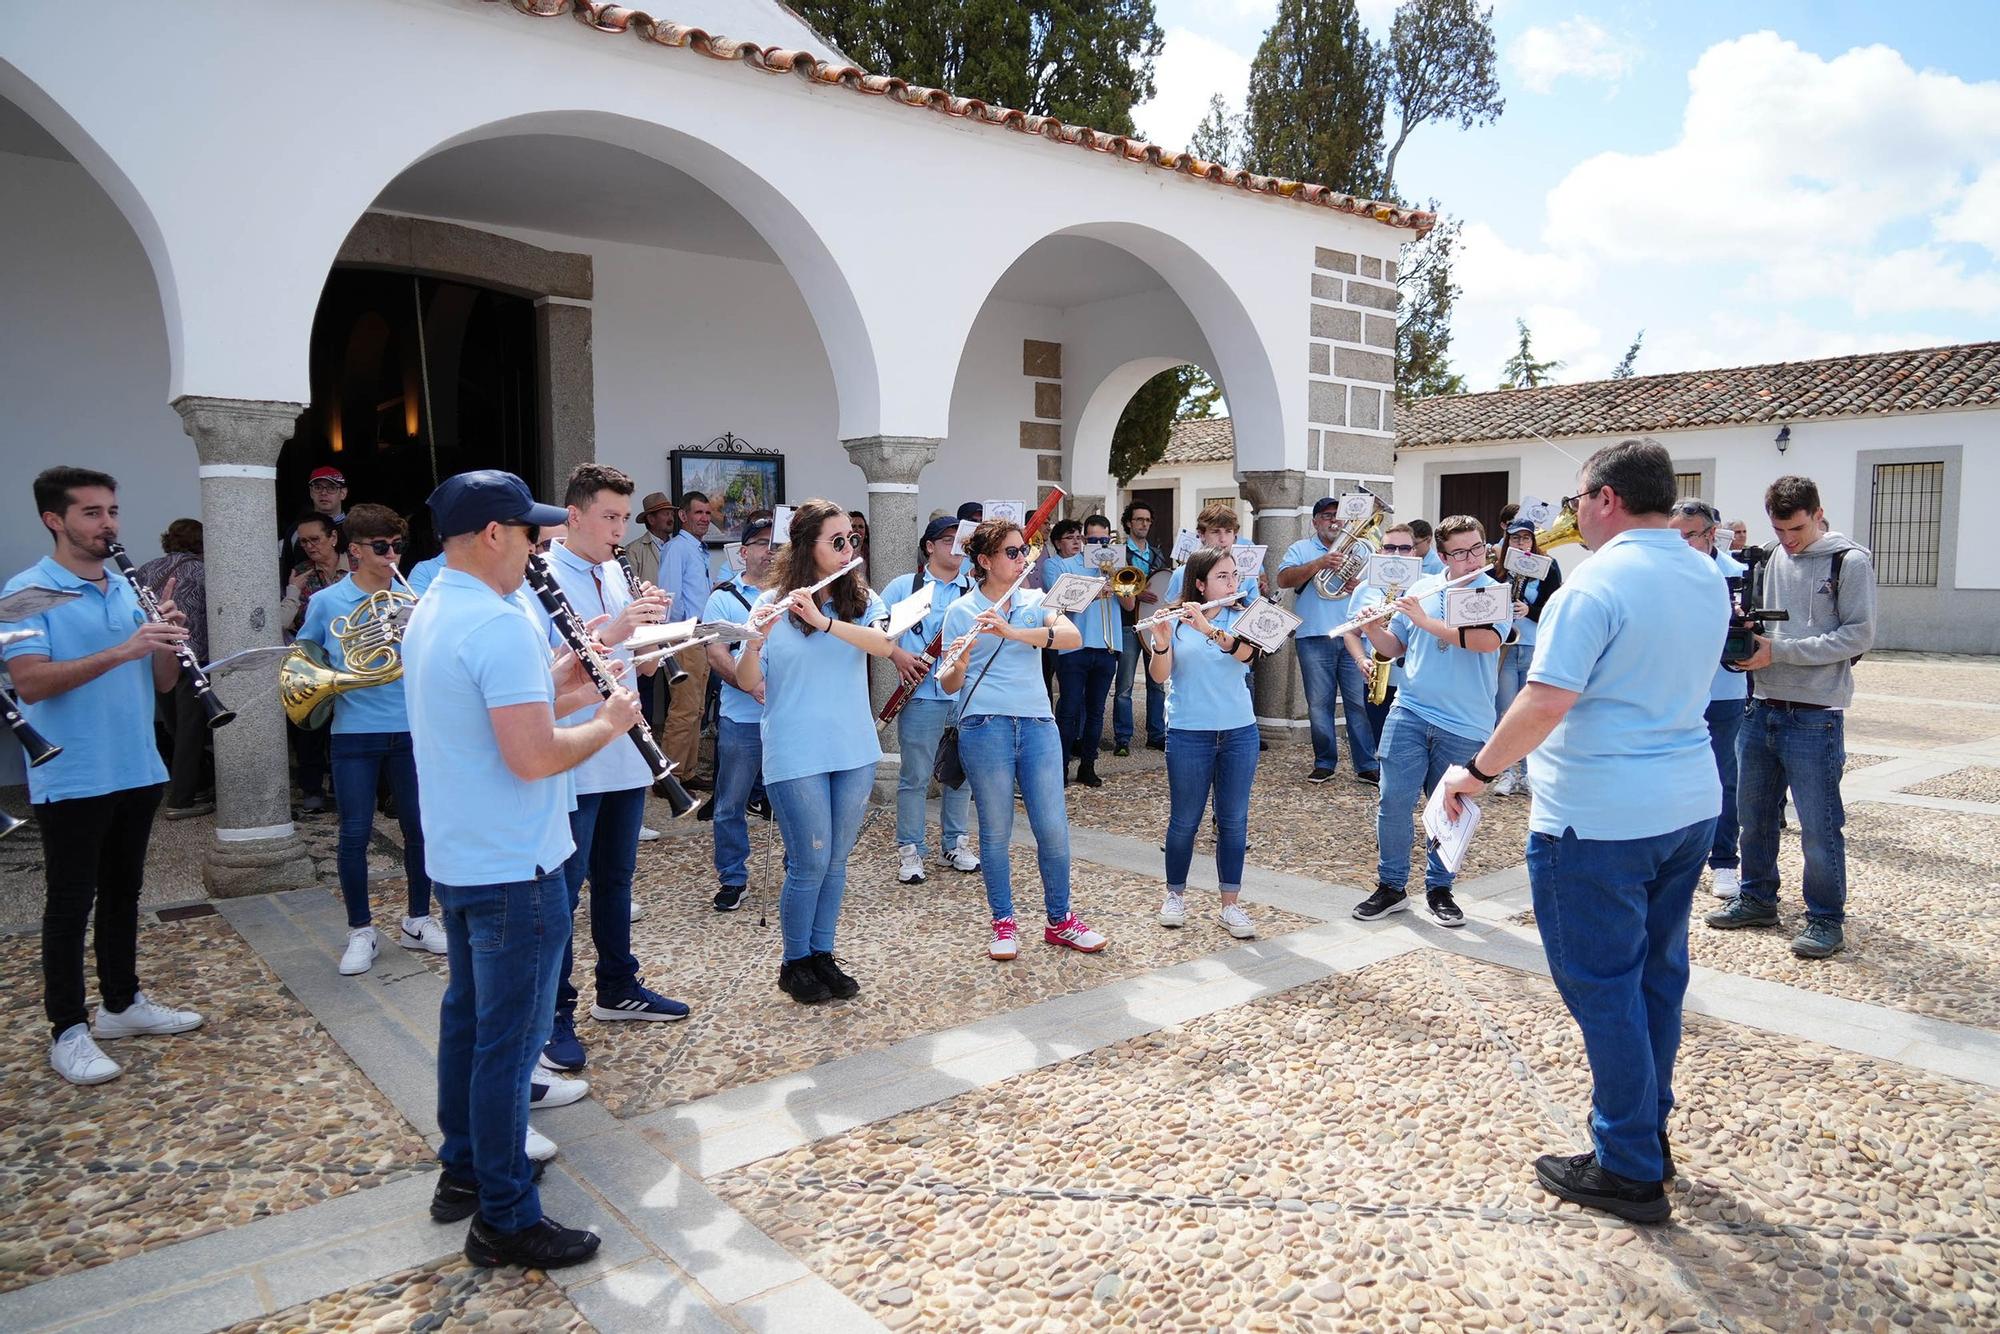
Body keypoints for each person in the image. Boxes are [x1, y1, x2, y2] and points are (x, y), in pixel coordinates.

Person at [1437, 438, 1728, 1224]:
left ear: (1605, 499)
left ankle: (1629, 1164)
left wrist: (1478, 772)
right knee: (1657, 978)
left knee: (1605, 991)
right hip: (1689, 802)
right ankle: (1648, 1132)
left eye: (1575, 502)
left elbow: (1543, 700)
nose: (1572, 516)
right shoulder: (1706, 572)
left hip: (1599, 817)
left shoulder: (1593, 585)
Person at [403, 468, 638, 1270]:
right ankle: (505, 1216)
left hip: (463, 855)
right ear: (493, 535)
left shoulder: (435, 605)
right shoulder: (500, 623)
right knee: (508, 1042)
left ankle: (463, 1171)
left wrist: (566, 681)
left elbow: (502, 710)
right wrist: (608, 721)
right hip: (517, 860)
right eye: (531, 531)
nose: (540, 544)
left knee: (467, 1019)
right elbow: (534, 754)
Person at [4, 467, 204, 1086]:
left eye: (112, 511)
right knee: (70, 902)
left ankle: (121, 1004)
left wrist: (168, 639)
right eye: (91, 513)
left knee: (124, 892)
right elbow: (31, 680)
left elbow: (163, 683)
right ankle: (68, 1029)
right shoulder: (25, 592)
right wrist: (126, 647)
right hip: (72, 767)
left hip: (137, 763)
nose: (108, 524)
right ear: (54, 520)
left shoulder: (126, 586)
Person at [537, 465, 686, 1077]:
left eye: (625, 518)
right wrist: (619, 630)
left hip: (626, 747)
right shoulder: (541, 576)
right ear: (574, 516)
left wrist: (653, 646)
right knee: (564, 892)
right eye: (610, 517)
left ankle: (617, 987)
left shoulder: (615, 573)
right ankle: (555, 1012)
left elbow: (635, 667)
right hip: (574, 749)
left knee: (617, 879)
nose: (620, 529)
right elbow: (543, 669)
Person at [1705, 475, 1876, 960]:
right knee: (1754, 818)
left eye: (1797, 529)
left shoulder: (1850, 561)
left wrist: (1780, 651)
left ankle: (1825, 918)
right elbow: (1769, 624)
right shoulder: (1771, 557)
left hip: (1816, 714)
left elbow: (1859, 635)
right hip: (1760, 707)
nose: (1788, 540)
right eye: (1780, 530)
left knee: (1820, 826)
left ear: (1819, 513)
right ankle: (1757, 898)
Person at [732, 501, 895, 1003]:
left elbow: (884, 645)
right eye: (838, 541)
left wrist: (823, 621)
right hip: (795, 748)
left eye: (853, 539)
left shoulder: (860, 599)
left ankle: (822, 953)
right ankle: (794, 960)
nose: (850, 548)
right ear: (807, 547)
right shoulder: (770, 604)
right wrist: (755, 640)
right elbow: (746, 680)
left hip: (852, 746)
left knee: (838, 859)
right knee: (810, 859)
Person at [939, 518, 1106, 961]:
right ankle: (1003, 923)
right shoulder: (961, 611)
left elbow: (1070, 636)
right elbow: (950, 684)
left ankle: (1061, 920)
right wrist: (964, 655)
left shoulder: (1034, 599)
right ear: (985, 561)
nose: (1021, 559)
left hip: (1036, 723)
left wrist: (1013, 632)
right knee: (996, 831)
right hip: (984, 724)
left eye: (1023, 551)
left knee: (1052, 828)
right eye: (1012, 553)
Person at [293, 503, 442, 976]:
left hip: (410, 728)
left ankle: (418, 918)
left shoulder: (411, 598)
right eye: (382, 547)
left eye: (398, 546)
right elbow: (304, 660)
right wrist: (334, 676)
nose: (392, 554)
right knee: (354, 833)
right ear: (355, 550)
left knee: (418, 829)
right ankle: (361, 929)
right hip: (354, 731)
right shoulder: (327, 602)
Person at [1354, 515, 1510, 928]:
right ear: (1442, 556)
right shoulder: (1422, 589)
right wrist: (1371, 628)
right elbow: (1394, 647)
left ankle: (1440, 889)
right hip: (1410, 709)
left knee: (1450, 809)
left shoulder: (1494, 593)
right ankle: (1391, 887)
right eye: (1460, 552)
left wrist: (1425, 620)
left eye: (1478, 548)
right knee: (1393, 802)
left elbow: (1486, 642)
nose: (1472, 557)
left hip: (1465, 721)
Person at [1144, 545, 1262, 940]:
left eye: (1234, 575)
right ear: (1199, 583)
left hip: (1239, 731)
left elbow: (1246, 657)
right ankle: (1174, 895)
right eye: (1223, 577)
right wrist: (1161, 640)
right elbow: (1160, 676)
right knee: (1184, 820)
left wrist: (1209, 630)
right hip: (1188, 731)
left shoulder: (1243, 616)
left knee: (1233, 821)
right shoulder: (1174, 621)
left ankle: (1230, 905)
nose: (1233, 582)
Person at [879, 514, 979, 885]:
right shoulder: (906, 586)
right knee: (915, 775)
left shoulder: (975, 589)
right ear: (930, 546)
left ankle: (955, 842)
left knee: (960, 773)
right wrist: (898, 656)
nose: (956, 547)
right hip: (922, 694)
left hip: (964, 692)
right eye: (948, 539)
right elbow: (876, 628)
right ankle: (910, 848)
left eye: (961, 540)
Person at [1669, 499, 1748, 899]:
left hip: (1722, 692)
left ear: (1710, 533)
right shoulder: (1663, 575)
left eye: (1690, 536)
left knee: (1722, 776)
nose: (1682, 544)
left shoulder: (1738, 575)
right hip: (1672, 690)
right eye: (1675, 536)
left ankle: (1723, 861)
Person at [1277, 496, 1376, 785]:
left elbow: (1378, 587)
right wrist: (1320, 562)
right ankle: (1324, 762)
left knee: (1358, 702)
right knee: (1319, 704)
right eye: (1327, 516)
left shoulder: (1360, 549)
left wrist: (1359, 585)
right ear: (1315, 521)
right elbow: (1284, 579)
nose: (1334, 521)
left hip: (1354, 636)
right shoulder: (1302, 548)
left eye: (1339, 516)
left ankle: (1366, 765)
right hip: (1314, 636)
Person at [704, 515, 774, 912]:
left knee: (790, 801)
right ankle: (733, 876)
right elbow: (716, 653)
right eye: (761, 543)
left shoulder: (795, 594)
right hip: (742, 719)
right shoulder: (724, 598)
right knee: (730, 802)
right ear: (743, 552)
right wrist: (751, 684)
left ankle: (797, 869)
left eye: (776, 544)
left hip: (786, 716)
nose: (770, 551)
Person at [136, 518, 212, 819]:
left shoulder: (146, 569)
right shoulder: (202, 570)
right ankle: (181, 800)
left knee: (173, 725)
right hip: (193, 655)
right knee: (191, 730)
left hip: (156, 653)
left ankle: (197, 784)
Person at [1051, 514, 1132, 787]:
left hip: (1108, 647)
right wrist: (1098, 589)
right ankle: (1059, 767)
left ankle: (1088, 765)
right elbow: (1063, 603)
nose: (1100, 545)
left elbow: (1130, 606)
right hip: (1075, 646)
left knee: (1097, 711)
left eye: (1105, 540)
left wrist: (1116, 580)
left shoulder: (1117, 566)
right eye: (1094, 540)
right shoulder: (1064, 565)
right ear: (1085, 540)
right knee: (1070, 709)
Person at [1488, 516, 1563, 796]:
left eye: (1526, 538)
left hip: (1534, 646)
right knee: (1505, 711)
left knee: (1531, 713)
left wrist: (1528, 610)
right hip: (1506, 646)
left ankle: (1530, 774)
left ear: (1533, 540)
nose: (1521, 543)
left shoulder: (1548, 567)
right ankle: (1506, 772)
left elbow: (1553, 608)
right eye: (1516, 538)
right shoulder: (1498, 569)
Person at [284, 513, 348, 815]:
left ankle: (341, 785)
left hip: (348, 660)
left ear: (333, 538)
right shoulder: (299, 572)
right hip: (311, 662)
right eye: (304, 541)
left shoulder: (357, 566)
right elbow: (282, 623)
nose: (309, 546)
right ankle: (312, 788)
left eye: (315, 539)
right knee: (309, 728)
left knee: (343, 724)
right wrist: (293, 593)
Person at [1348, 523, 1419, 752]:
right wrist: (1361, 660)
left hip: (1417, 681)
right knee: (1384, 748)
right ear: (1379, 552)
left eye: (1404, 548)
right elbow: (1351, 632)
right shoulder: (1364, 588)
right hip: (1379, 680)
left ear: (1414, 552)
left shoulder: (1426, 586)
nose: (1397, 554)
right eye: (1389, 547)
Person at [660, 490, 714, 784]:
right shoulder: (678, 548)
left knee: (696, 708)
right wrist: (677, 638)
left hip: (701, 636)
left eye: (707, 513)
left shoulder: (697, 549)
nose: (705, 519)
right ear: (683, 516)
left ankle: (687, 771)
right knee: (683, 709)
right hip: (685, 637)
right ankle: (669, 778)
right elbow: (671, 597)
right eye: (698, 513)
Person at [1112, 499, 1170, 754]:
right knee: (1124, 685)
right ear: (1128, 523)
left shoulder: (1157, 554)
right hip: (1127, 623)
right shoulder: (1119, 553)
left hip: (1153, 624)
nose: (1144, 524)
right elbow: (1117, 585)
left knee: (1156, 683)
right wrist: (1137, 593)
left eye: (1147, 520)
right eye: (1139, 519)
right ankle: (1122, 737)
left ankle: (1156, 734)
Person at [623, 492, 679, 732]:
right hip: (647, 624)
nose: (671, 517)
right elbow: (628, 589)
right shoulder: (633, 550)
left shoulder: (679, 547)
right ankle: (643, 730)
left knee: (673, 687)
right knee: (645, 679)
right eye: (665, 513)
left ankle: (666, 734)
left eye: (671, 513)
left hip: (674, 621)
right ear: (651, 519)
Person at [1037, 519, 1082, 697]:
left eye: (1079, 537)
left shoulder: (1087, 565)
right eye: (1070, 537)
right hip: (1058, 630)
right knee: (1060, 684)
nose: (1076, 541)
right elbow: (1061, 597)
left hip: (1082, 631)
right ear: (1057, 543)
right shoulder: (1051, 564)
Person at [280, 465, 347, 576]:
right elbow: (287, 570)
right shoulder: (297, 530)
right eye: (317, 487)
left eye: (331, 488)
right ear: (311, 492)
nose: (324, 493)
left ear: (343, 493)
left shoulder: (357, 528)